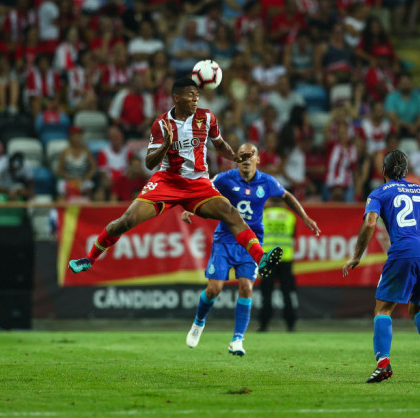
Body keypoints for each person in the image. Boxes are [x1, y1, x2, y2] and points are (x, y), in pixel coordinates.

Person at [67, 78, 285, 290]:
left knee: (231, 213)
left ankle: (260, 257)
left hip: (198, 184)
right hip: (167, 182)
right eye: (191, 96)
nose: (195, 100)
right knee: (126, 220)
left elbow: (219, 144)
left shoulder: (207, 118)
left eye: (197, 96)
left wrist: (234, 157)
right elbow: (149, 162)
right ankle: (89, 258)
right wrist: (166, 146)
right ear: (177, 98)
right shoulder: (161, 124)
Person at [182, 143, 320, 355]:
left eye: (251, 155)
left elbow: (287, 196)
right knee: (214, 289)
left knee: (246, 287)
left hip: (251, 241)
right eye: (242, 156)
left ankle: (237, 340)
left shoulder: (267, 181)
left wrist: (305, 217)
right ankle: (199, 322)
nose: (246, 159)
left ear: (258, 159)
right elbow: (202, 189)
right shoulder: (224, 178)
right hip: (226, 238)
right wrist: (190, 209)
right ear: (236, 159)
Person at [343, 149, 420, 383]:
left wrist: (356, 255)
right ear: (405, 171)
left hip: (404, 250)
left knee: (383, 308)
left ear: (384, 171)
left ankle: (383, 364)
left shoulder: (379, 193)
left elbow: (370, 224)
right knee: (419, 309)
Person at [259, 196, 301, 332]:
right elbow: (292, 236)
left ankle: (264, 325)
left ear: (269, 202)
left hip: (268, 260)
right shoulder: (290, 216)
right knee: (287, 294)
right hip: (285, 259)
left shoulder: (263, 215)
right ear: (283, 203)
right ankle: (291, 325)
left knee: (266, 294)